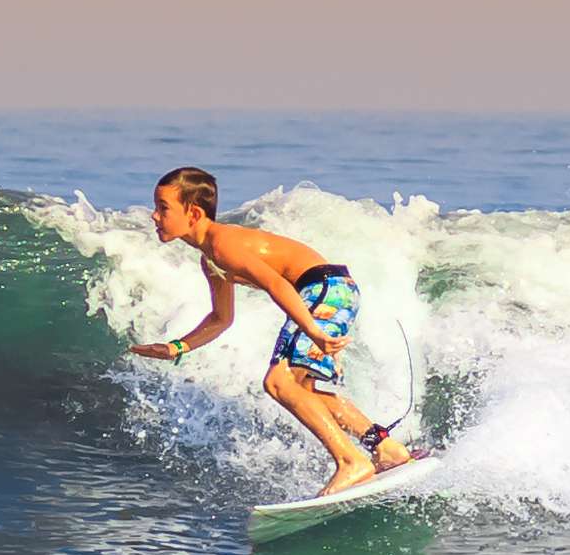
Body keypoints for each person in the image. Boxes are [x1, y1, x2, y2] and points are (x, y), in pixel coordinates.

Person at [129, 165, 421, 496]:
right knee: (301, 388)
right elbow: (221, 318)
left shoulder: (223, 243)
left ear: (193, 213)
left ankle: (351, 462)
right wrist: (177, 347)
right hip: (331, 288)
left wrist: (314, 331)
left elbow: (275, 283)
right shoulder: (210, 258)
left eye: (163, 208)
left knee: (277, 382)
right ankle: (385, 448)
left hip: (323, 288)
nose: (154, 216)